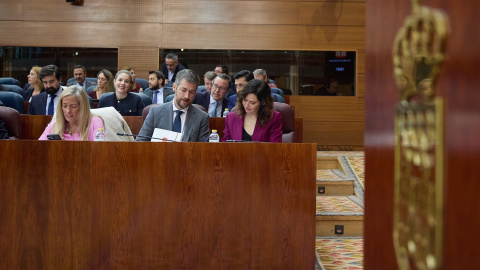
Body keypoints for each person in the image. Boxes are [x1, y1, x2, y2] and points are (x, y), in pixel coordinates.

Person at [136, 69, 210, 142]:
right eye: (183, 90)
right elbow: (140, 143)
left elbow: (202, 150)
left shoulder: (202, 117)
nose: (187, 96)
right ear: (174, 87)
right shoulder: (155, 112)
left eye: (191, 92)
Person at [38, 86, 104, 141]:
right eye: (64, 106)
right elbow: (39, 147)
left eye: (73, 106)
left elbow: (100, 150)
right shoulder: (55, 125)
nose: (68, 111)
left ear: (82, 107)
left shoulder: (95, 122)